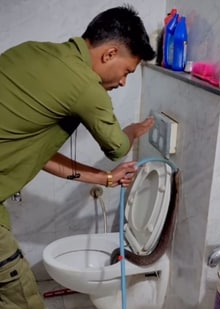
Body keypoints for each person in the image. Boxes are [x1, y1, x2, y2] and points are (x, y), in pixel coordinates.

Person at [0, 5, 156, 308]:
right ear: (109, 54)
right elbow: (117, 148)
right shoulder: (85, 85)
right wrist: (133, 131)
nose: (123, 82)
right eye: (127, 71)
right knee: (21, 296)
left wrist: (106, 179)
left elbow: (39, 155)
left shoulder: (31, 52)